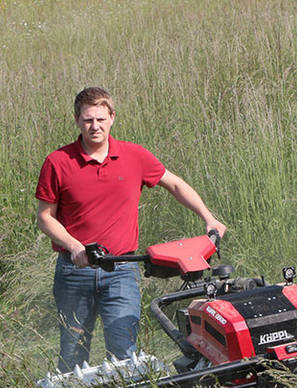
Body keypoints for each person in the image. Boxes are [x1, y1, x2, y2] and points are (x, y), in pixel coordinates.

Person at [36, 86, 226, 372]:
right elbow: (45, 217)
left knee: (125, 351)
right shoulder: (58, 162)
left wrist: (209, 218)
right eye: (88, 120)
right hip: (74, 272)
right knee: (73, 351)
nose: (94, 126)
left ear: (112, 117)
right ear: (77, 120)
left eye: (100, 119)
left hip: (122, 269)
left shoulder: (134, 156)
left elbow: (174, 184)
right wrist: (75, 246)